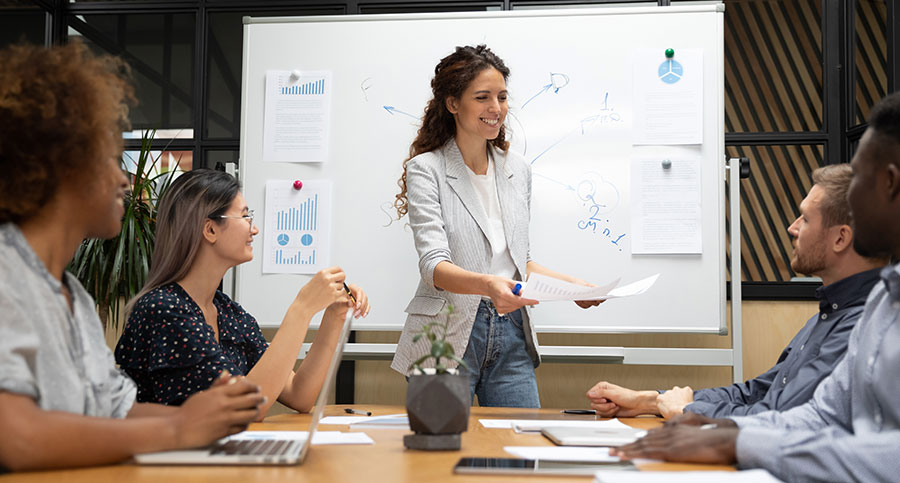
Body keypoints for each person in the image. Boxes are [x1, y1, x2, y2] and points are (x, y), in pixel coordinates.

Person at [0, 42, 264, 471]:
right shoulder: (6, 275)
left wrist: (210, 422)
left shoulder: (72, 296)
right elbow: (15, 437)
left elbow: (116, 411)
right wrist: (179, 430)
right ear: (62, 167)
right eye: (108, 159)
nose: (124, 179)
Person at [612, 91, 900, 483]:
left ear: (889, 183)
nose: (791, 229)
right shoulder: (885, 297)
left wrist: (717, 433)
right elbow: (821, 412)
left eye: (860, 180)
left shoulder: (865, 310)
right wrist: (678, 412)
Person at [389, 45, 601, 408]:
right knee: (437, 455)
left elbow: (520, 261)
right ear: (453, 104)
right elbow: (433, 267)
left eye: (502, 97)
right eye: (483, 97)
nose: (497, 109)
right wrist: (489, 285)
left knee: (518, 452)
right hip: (445, 331)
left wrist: (573, 287)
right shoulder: (427, 169)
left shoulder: (517, 169)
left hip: (511, 330)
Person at [586, 164, 886, 419]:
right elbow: (760, 391)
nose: (792, 228)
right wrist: (651, 401)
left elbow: (776, 415)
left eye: (805, 219)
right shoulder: (831, 313)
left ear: (840, 239)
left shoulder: (863, 324)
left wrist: (688, 410)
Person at [115, 169, 369, 417]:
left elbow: (299, 394)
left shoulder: (229, 314)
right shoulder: (164, 310)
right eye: (246, 217)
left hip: (213, 455)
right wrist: (302, 309)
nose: (254, 229)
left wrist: (334, 315)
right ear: (210, 229)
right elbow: (246, 407)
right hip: (166, 458)